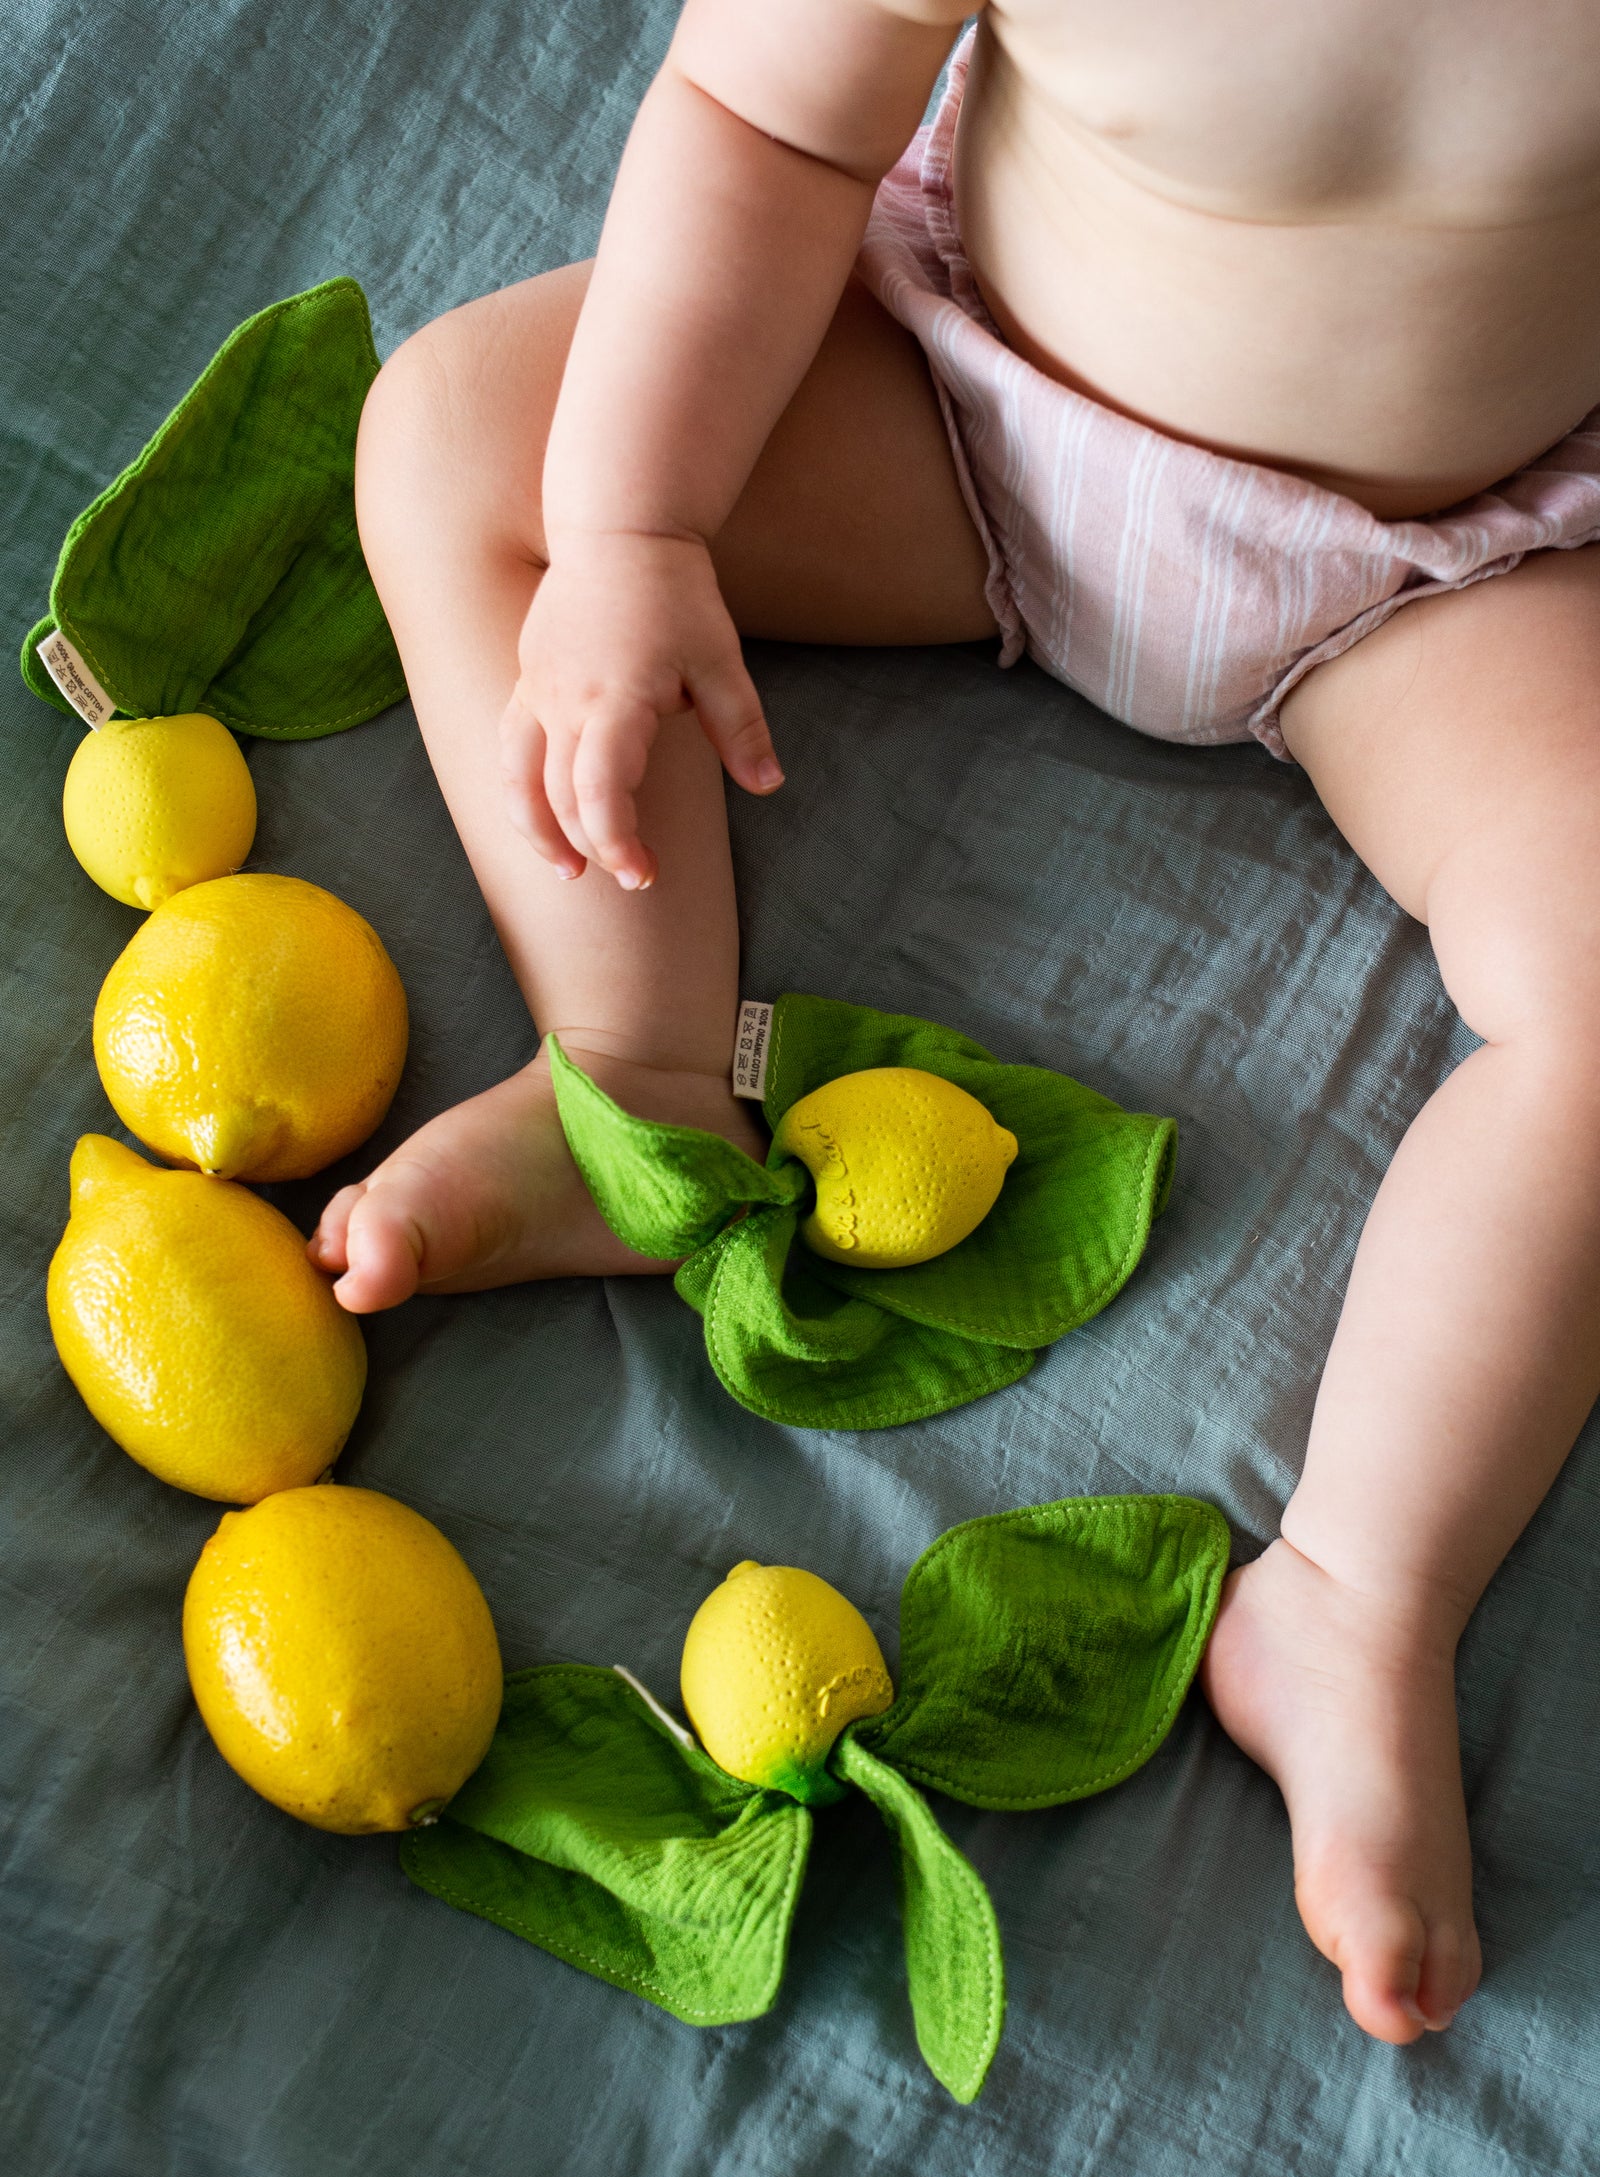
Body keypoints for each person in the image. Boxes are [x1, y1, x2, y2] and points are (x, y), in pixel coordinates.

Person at [308, 0, 1600, 2047]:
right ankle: (641, 1089)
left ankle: (1354, 1596)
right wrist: (637, 532)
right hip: (961, 397)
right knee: (460, 437)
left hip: (1435, 575)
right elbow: (752, 110)